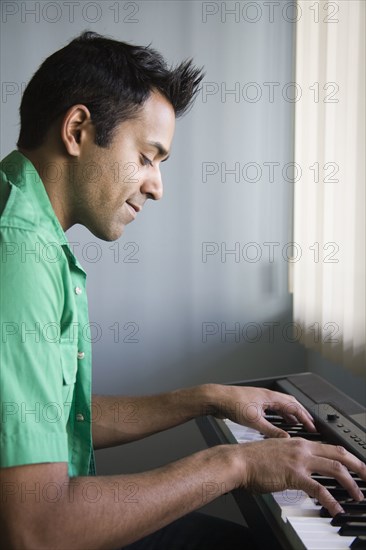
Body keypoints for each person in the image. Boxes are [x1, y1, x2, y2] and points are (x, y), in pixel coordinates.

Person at [0, 31, 365, 550]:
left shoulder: (22, 222)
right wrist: (234, 463)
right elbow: (36, 530)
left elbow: (53, 416)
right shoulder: (18, 256)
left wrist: (203, 400)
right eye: (149, 156)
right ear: (78, 129)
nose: (157, 186)